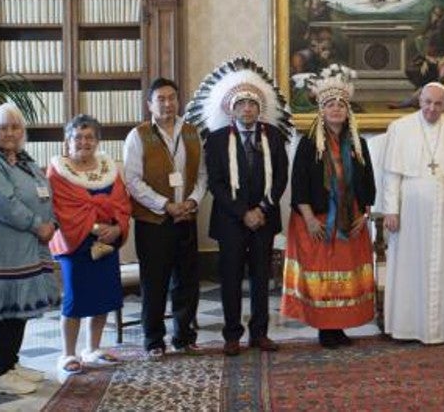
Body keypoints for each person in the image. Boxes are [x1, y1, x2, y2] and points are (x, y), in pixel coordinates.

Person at [191, 58, 291, 355]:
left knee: (261, 279)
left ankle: (259, 333)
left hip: (264, 218)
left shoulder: (272, 136)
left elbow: (281, 177)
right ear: (231, 109)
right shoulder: (217, 139)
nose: (247, 109)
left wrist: (261, 208)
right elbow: (216, 183)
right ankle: (232, 335)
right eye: (241, 104)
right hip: (230, 221)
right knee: (231, 279)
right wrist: (242, 212)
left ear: (259, 108)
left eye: (252, 104)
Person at [0, 103, 60, 395]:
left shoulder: (22, 158)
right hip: (4, 247)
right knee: (6, 309)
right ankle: (0, 371)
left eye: (15, 127)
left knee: (18, 310)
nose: (9, 133)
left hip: (29, 245)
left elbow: (44, 191)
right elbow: (2, 202)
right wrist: (36, 224)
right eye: (3, 127)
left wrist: (50, 222)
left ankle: (12, 364)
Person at [282, 65, 377, 348]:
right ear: (321, 110)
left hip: (350, 220)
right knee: (323, 275)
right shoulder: (309, 144)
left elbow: (368, 184)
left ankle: (339, 326)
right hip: (318, 220)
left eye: (341, 105)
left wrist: (366, 214)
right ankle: (325, 328)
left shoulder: (358, 144)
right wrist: (310, 220)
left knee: (345, 276)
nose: (336, 110)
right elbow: (298, 186)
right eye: (330, 105)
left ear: (348, 111)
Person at [382, 82, 444, 344]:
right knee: (411, 266)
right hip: (411, 214)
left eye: (438, 104)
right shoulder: (400, 128)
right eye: (427, 102)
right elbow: (392, 175)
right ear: (419, 100)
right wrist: (391, 210)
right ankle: (409, 325)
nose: (431, 108)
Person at [122, 78, 203, 358]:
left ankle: (184, 336)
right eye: (161, 99)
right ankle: (154, 339)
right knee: (155, 283)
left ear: (178, 101)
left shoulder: (192, 132)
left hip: (187, 218)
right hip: (154, 221)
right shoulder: (139, 135)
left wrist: (192, 201)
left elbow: (202, 175)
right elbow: (132, 181)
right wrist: (165, 205)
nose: (167, 104)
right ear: (150, 105)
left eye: (172, 98)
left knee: (187, 281)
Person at [48, 115, 130, 379]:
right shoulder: (59, 171)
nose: (84, 142)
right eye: (78, 137)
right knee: (75, 299)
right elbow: (63, 209)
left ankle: (93, 348)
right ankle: (68, 353)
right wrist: (96, 227)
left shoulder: (108, 168)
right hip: (76, 243)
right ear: (67, 141)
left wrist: (116, 228)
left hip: (107, 242)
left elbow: (121, 203)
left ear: (97, 141)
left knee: (103, 298)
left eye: (89, 137)